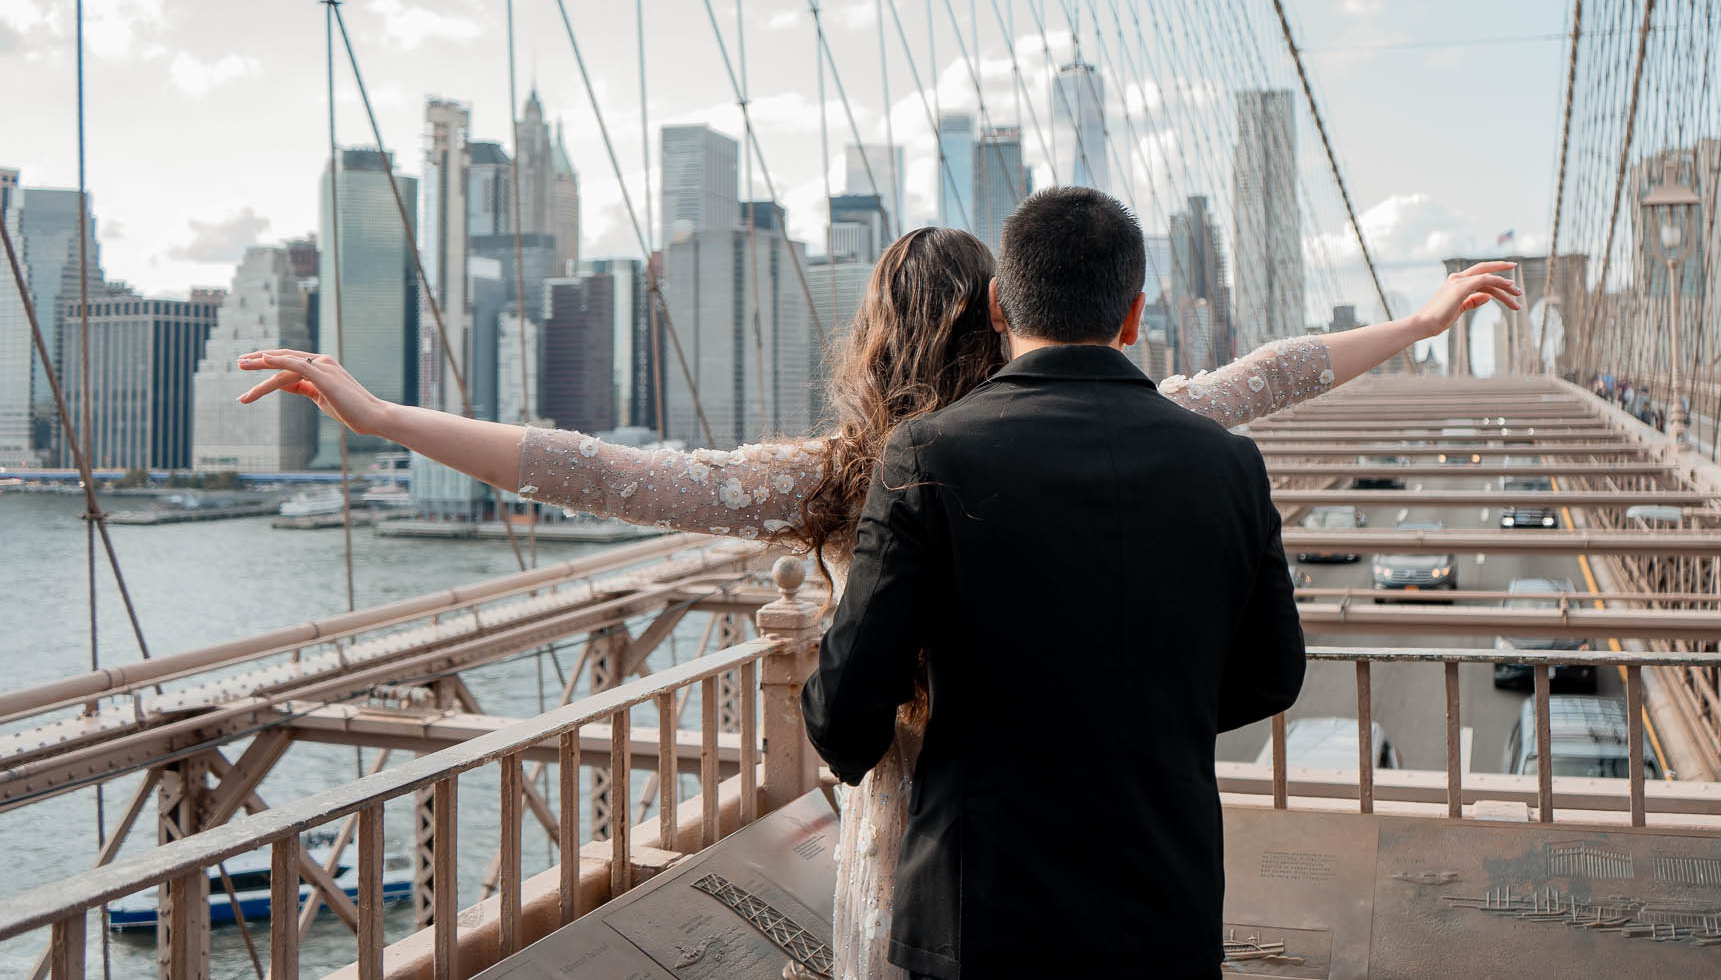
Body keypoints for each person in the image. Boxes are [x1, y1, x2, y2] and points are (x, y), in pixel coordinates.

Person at [235, 205, 1521, 980]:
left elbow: (603, 474)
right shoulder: (1143, 426)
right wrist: (1414, 325)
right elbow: (1271, 374)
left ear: (880, 334)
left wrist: (383, 413)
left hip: (923, 855)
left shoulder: (836, 479)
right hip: (1131, 857)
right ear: (1007, 309)